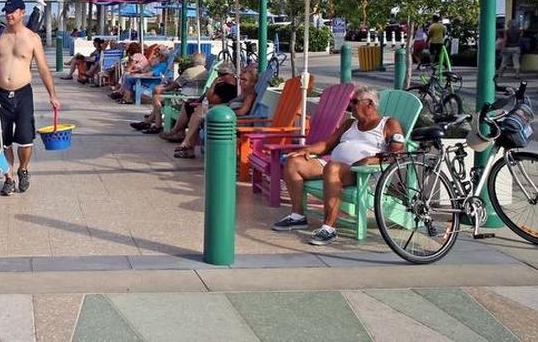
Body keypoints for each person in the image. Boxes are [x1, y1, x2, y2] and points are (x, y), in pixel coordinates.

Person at [271, 86, 404, 245]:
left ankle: (329, 229)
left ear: (369, 104)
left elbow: (397, 153)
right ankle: (298, 216)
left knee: (332, 168)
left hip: (361, 174)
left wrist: (371, 160)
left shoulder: (388, 124)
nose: (351, 106)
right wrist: (306, 150)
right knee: (293, 162)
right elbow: (327, 144)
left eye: (354, 102)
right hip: (332, 167)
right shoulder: (349, 124)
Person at [0, 0, 61, 196]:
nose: (9, 15)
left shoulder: (32, 38)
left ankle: (23, 169)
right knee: (3, 141)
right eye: (7, 11)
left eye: (13, 11)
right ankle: (9, 178)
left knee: (25, 141)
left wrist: (53, 95)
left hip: (23, 94)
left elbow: (42, 68)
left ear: (22, 12)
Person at [169, 64, 257, 157]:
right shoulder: (242, 93)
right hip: (228, 117)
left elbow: (242, 112)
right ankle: (188, 146)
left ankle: (187, 144)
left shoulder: (249, 95)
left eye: (245, 80)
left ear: (252, 83)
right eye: (241, 79)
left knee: (199, 113)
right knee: (198, 112)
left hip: (234, 121)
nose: (241, 82)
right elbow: (216, 100)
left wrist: (224, 112)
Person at [131, 52, 208, 133]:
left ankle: (157, 126)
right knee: (159, 98)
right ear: (204, 63)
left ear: (192, 62)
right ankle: (147, 122)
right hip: (197, 99)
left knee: (157, 97)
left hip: (185, 100)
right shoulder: (206, 72)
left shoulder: (189, 71)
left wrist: (164, 88)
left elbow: (174, 85)